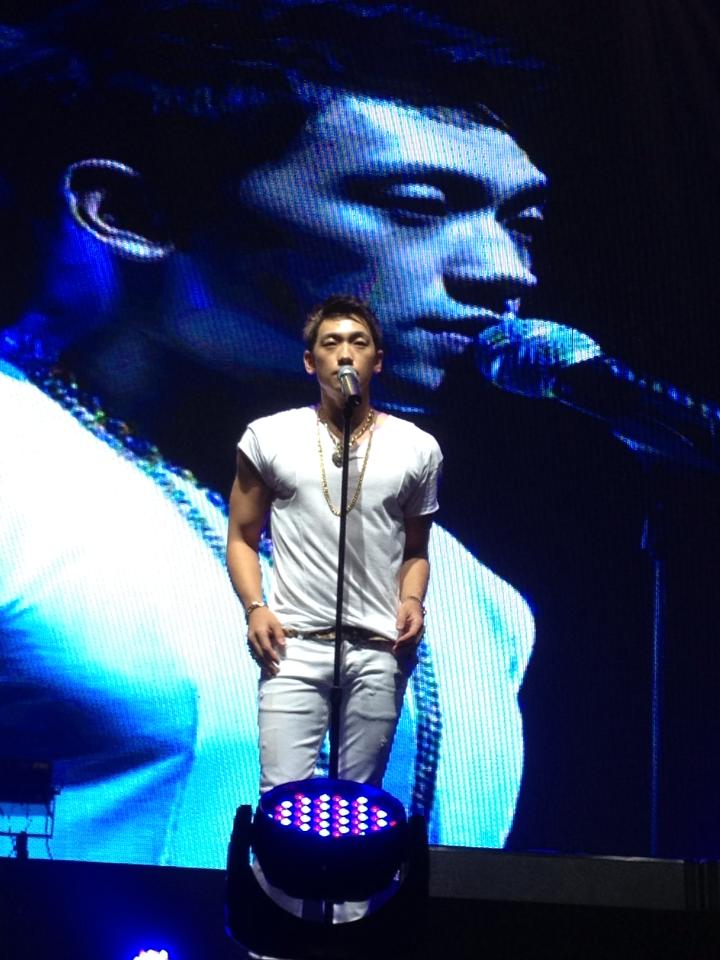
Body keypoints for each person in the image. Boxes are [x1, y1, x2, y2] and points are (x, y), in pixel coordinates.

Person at [0, 1, 536, 863]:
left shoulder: (476, 598)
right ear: (129, 213)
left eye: (521, 224)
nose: (505, 271)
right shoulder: (20, 479)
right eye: (416, 204)